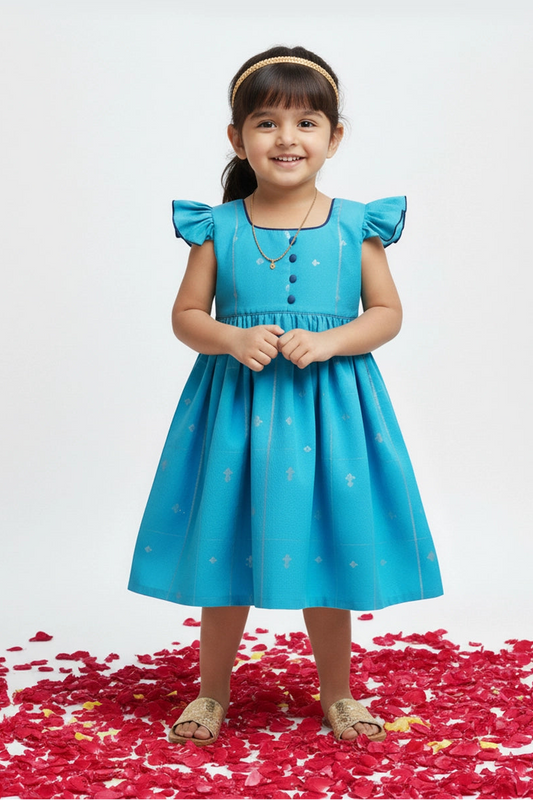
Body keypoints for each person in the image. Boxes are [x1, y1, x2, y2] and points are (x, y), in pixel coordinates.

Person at [128, 45, 443, 746]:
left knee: (327, 549)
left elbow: (385, 314)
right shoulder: (217, 228)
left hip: (331, 413)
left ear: (334, 137)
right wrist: (231, 340)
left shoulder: (357, 225)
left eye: (306, 123)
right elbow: (186, 318)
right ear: (237, 138)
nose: (286, 139)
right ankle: (211, 693)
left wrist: (330, 341)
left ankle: (338, 692)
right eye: (266, 123)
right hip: (236, 415)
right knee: (224, 545)